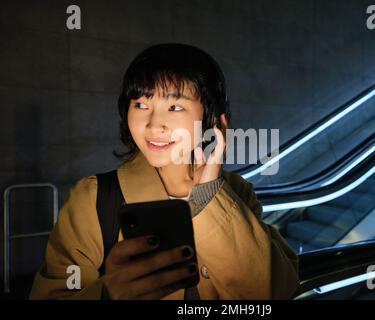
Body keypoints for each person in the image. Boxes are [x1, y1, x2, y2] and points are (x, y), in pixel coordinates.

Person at [29, 43, 300, 300]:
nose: (153, 124)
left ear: (212, 118)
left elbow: (273, 291)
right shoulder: (94, 197)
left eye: (175, 106)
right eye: (141, 105)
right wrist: (107, 293)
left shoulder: (238, 191)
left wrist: (209, 195)